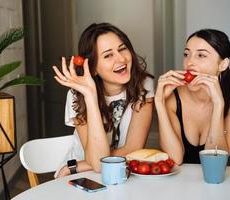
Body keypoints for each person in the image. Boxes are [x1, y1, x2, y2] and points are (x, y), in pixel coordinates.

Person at [52, 23, 154, 177]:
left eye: (122, 49)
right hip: (82, 175)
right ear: (92, 67)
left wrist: (82, 165)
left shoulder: (144, 85)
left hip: (97, 168)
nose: (121, 59)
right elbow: (98, 164)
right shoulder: (77, 94)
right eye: (108, 55)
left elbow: (134, 148)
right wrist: (90, 96)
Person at [155, 29, 230, 165]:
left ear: (223, 64)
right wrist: (159, 102)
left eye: (201, 55)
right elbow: (175, 159)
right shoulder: (173, 98)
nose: (189, 62)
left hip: (218, 180)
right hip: (180, 183)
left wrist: (218, 104)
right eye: (186, 54)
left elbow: (214, 160)